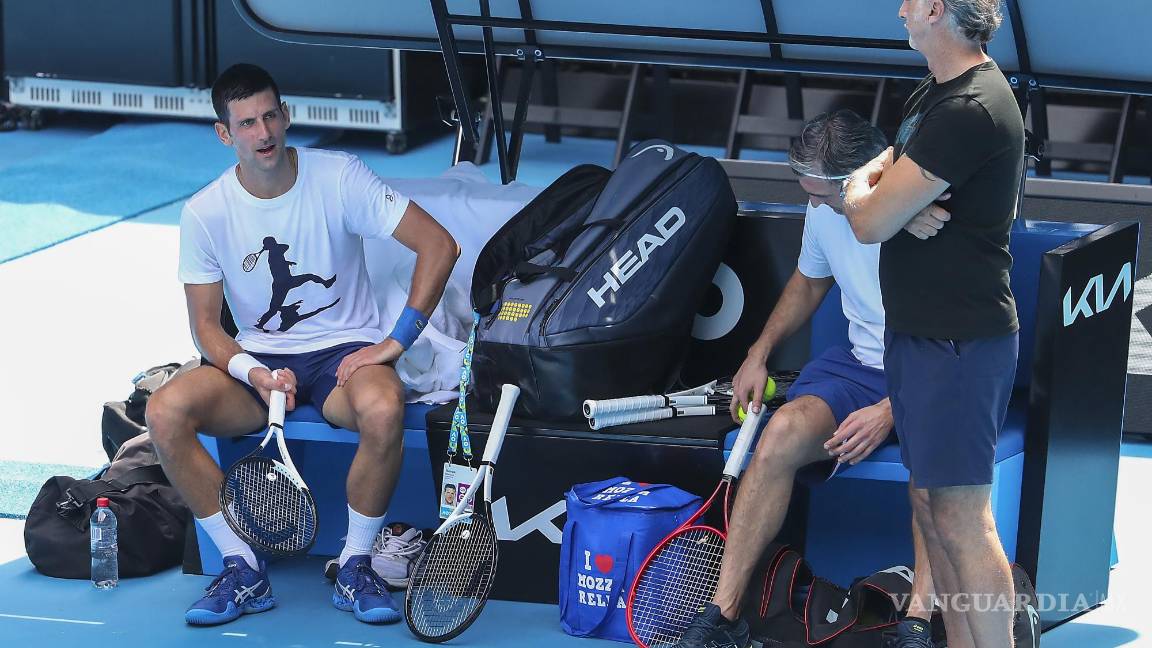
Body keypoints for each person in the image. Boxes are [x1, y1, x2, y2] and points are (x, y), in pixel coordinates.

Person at [147, 63, 459, 627]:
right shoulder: (205, 212)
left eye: (270, 116)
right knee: (164, 411)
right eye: (246, 123)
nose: (263, 133)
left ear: (286, 115)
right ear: (225, 134)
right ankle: (243, 566)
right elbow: (206, 328)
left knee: (384, 408)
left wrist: (395, 341)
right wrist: (252, 373)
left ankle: (356, 565)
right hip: (262, 366)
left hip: (345, 356)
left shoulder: (340, 176)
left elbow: (439, 245)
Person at [676, 110, 952, 648]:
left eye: (826, 195)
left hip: (935, 368)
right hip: (858, 365)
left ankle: (919, 617)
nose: (818, 205)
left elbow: (960, 333)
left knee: (932, 463)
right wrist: (757, 353)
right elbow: (808, 281)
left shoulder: (930, 215)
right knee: (778, 434)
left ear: (870, 178)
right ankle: (723, 615)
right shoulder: (824, 205)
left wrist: (895, 407)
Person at [841, 2, 1025, 647]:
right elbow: (885, 169)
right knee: (930, 506)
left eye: (912, 1)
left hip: (959, 344)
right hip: (921, 336)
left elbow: (864, 222)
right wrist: (886, 192)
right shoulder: (937, 91)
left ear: (938, 12)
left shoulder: (970, 110)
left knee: (963, 516)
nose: (900, 8)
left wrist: (878, 201)